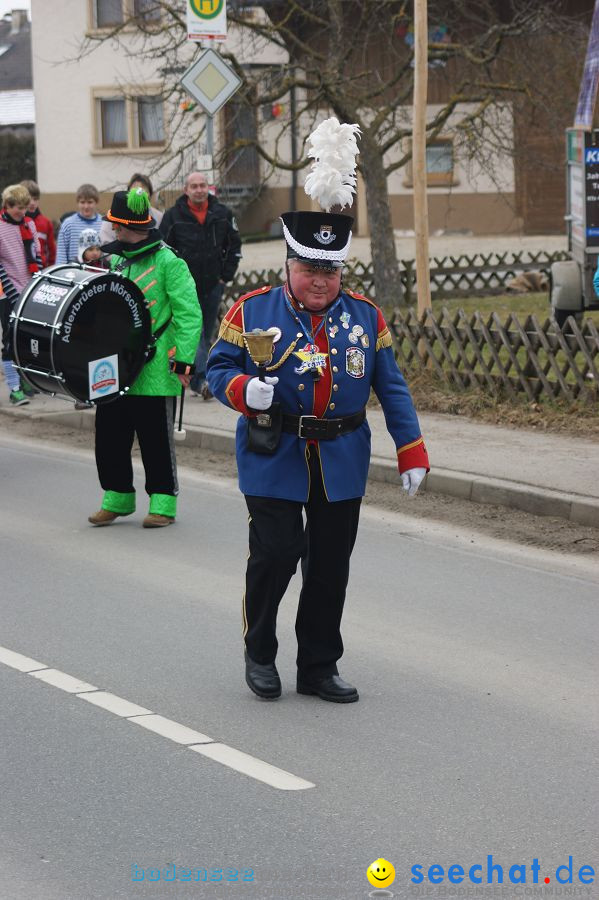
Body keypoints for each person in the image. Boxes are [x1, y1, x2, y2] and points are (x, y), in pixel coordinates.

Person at [206, 207, 430, 704]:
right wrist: (243, 389)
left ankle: (318, 666)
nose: (320, 281)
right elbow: (216, 369)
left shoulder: (365, 316)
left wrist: (411, 450)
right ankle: (260, 652)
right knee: (278, 552)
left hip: (342, 455)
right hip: (273, 452)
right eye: (310, 269)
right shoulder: (252, 310)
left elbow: (391, 389)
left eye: (329, 271)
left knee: (330, 567)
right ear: (289, 266)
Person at [87, 187, 202, 528]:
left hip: (155, 366)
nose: (113, 232)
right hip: (116, 365)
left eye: (116, 226)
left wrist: (184, 361)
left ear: (126, 227)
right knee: (108, 435)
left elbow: (189, 314)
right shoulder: (118, 260)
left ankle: (163, 503)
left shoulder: (170, 262)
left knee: (155, 439)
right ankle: (118, 496)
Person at [160, 171, 242, 400]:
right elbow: (163, 249)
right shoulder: (173, 216)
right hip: (183, 288)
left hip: (213, 285)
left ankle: (197, 378)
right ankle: (201, 380)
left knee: (206, 335)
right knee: (194, 333)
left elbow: (235, 246)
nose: (198, 189)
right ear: (186, 190)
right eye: (193, 186)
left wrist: (225, 276)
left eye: (202, 185)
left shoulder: (223, 214)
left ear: (209, 187)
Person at [0, 183, 41, 406]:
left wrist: (38, 283)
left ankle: (26, 378)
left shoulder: (29, 224)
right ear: (6, 205)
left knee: (25, 338)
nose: (20, 211)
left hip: (28, 287)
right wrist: (11, 291)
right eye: (15, 206)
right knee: (9, 339)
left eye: (24, 207)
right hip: (6, 292)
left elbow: (37, 255)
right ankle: (14, 388)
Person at [99, 173, 163, 246]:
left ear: (150, 194)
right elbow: (106, 241)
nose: (139, 194)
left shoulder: (158, 216)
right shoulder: (116, 214)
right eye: (135, 190)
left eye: (144, 190)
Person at [55, 183, 103, 264]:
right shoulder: (68, 224)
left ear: (96, 202)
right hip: (73, 272)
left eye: (90, 202)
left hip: (97, 272)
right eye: (82, 202)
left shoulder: (104, 224)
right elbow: (61, 257)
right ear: (77, 202)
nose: (86, 206)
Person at [21, 180, 56, 268]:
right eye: (29, 199)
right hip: (21, 271)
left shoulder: (46, 223)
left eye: (35, 199)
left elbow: (52, 251)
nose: (32, 203)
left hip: (41, 271)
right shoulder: (15, 222)